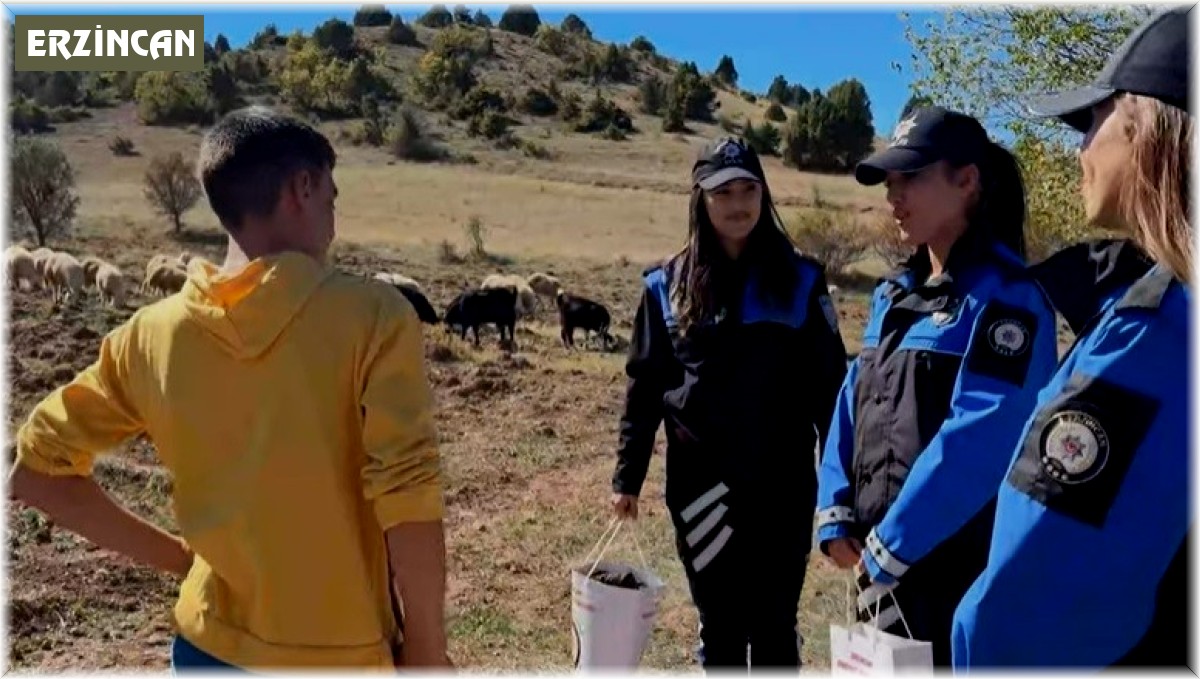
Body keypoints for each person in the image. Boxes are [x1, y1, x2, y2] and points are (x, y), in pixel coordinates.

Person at [8, 107, 452, 671]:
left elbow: (36, 473)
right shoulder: (375, 318)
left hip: (205, 648)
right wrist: (428, 652)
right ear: (302, 187)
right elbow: (407, 500)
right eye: (330, 201)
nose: (333, 224)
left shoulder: (148, 335)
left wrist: (179, 561)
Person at [952, 6, 1191, 669]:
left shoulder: (1155, 338)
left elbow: (1025, 605)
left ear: (1145, 125)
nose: (1079, 148)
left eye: (1092, 120)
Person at [814, 106, 1060, 667]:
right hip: (880, 564)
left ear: (967, 181)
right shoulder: (893, 296)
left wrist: (893, 543)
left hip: (961, 566)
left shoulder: (1009, 299)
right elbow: (852, 399)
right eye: (890, 182)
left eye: (912, 178)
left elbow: (983, 434)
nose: (893, 196)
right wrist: (834, 510)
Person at [610, 137, 847, 671]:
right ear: (700, 199)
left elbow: (831, 390)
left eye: (748, 190)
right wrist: (628, 478)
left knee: (774, 624)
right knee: (719, 623)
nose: (737, 204)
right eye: (722, 193)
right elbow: (644, 387)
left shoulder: (802, 281)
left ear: (764, 196)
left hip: (783, 487)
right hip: (701, 488)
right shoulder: (664, 287)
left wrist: (843, 487)